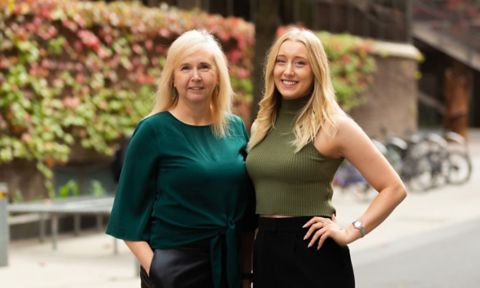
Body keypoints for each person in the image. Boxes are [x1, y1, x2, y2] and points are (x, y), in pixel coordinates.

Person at [246, 28, 407, 287]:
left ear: (316, 71)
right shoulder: (261, 126)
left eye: (300, 63)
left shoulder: (333, 126)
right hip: (266, 251)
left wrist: (352, 231)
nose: (288, 71)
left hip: (313, 252)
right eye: (281, 60)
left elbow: (394, 188)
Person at [106, 30, 256, 288]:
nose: (195, 76)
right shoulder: (153, 131)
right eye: (185, 68)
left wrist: (244, 274)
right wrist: (159, 270)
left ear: (218, 76)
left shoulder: (235, 128)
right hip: (175, 269)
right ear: (172, 78)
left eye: (204, 67)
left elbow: (246, 212)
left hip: (228, 263)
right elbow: (126, 215)